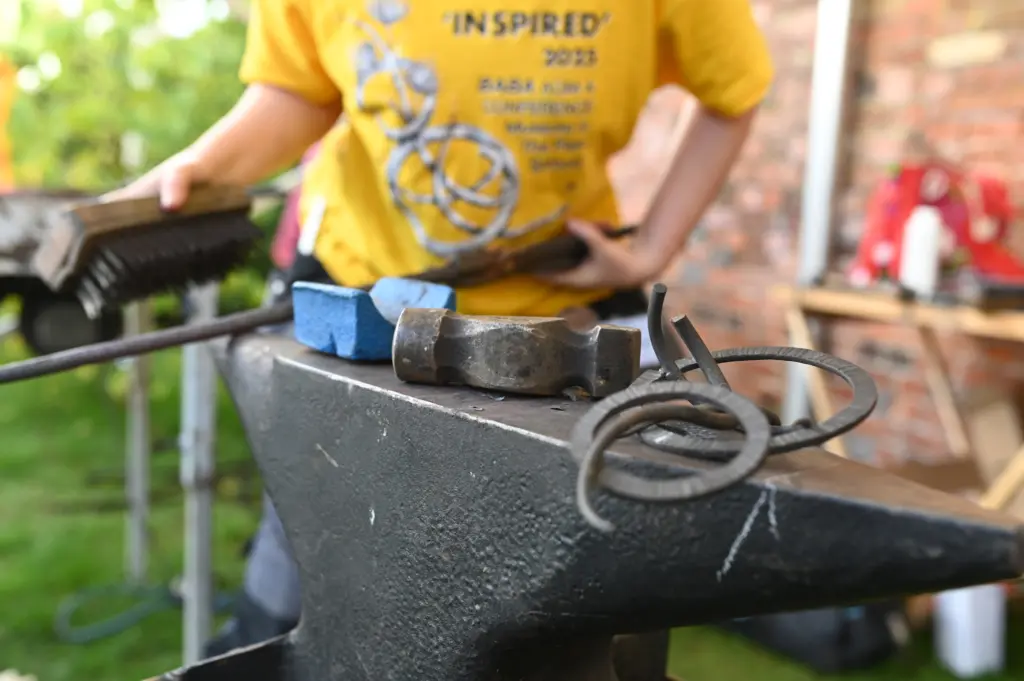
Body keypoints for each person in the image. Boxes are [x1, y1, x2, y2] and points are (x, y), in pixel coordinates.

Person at [108, 0, 773, 657]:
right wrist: (206, 164)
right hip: (360, 298)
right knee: (297, 590)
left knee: (565, 622)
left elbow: (733, 93)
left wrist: (653, 246)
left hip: (565, 307)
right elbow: (300, 89)